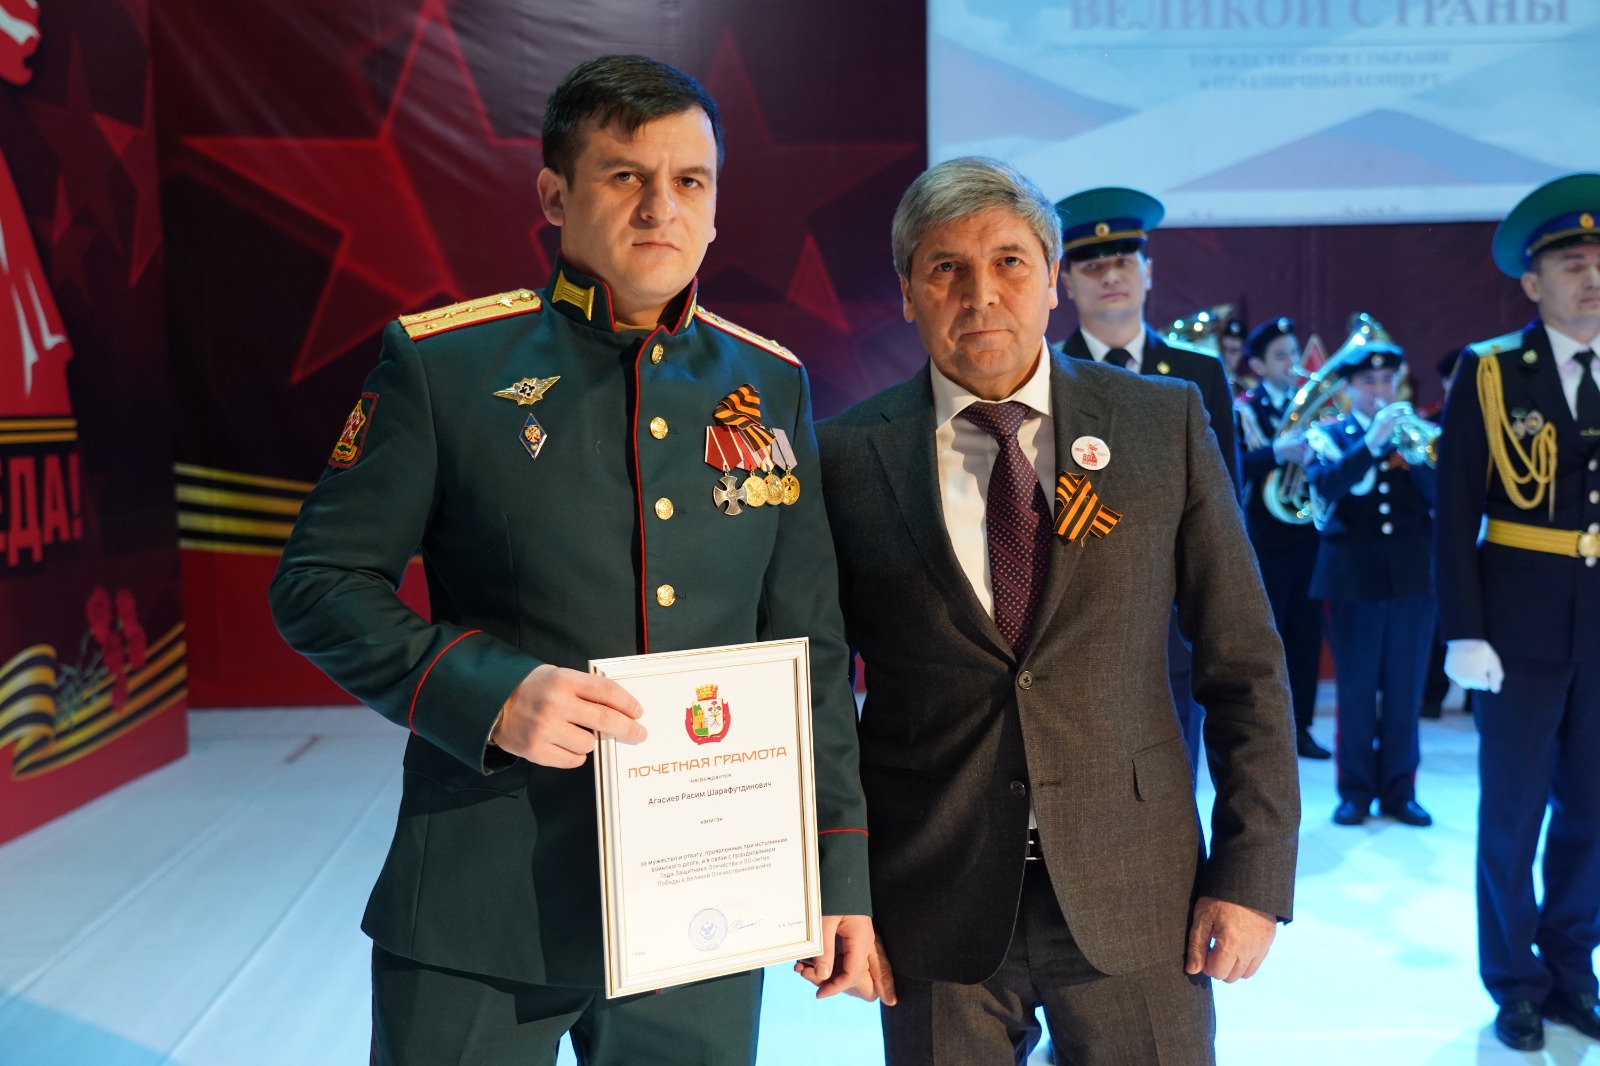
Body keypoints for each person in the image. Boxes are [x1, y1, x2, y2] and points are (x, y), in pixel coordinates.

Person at [268, 55, 874, 1066]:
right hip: (481, 898)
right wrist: (489, 692)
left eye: (689, 180)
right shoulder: (446, 366)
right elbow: (317, 585)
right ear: (555, 196)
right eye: (624, 175)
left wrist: (838, 867)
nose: (660, 207)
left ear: (715, 206)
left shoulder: (771, 384)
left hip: (707, 903)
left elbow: (808, 648)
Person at [817, 156, 1299, 1065]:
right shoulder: (842, 458)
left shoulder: (1162, 424)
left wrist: (1252, 872)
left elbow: (1243, 661)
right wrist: (835, 888)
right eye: (946, 268)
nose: (981, 294)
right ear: (909, 294)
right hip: (932, 900)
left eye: (1009, 262)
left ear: (1050, 281)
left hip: (1140, 895)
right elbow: (819, 699)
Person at [1436, 172, 1600, 1053]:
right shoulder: (1493, 370)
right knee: (1512, 817)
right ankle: (1515, 981)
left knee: (1593, 814)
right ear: (1533, 282)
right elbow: (1455, 509)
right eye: (1572, 264)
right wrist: (1464, 631)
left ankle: (1574, 971)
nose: (1592, 277)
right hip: (1519, 629)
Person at [1053, 186, 1241, 775]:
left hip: (1172, 628)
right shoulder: (1041, 375)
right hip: (1072, 629)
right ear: (1065, 282)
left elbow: (1224, 515)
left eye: (1124, 260)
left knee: (1174, 791)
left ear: (1149, 271)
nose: (1111, 275)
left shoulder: (1198, 374)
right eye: (1092, 265)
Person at [1304, 317, 1436, 829]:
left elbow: (1442, 495)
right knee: (1357, 690)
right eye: (1368, 382)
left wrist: (1413, 453)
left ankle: (1401, 792)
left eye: (1387, 380)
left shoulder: (1418, 433)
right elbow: (1328, 488)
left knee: (1404, 690)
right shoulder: (1329, 434)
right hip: (1351, 582)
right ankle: (1355, 791)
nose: (1379, 391)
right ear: (1348, 388)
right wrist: (1372, 445)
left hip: (1411, 581)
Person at [1236, 318, 1329, 759]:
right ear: (1257, 366)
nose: (1292, 362)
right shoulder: (1244, 410)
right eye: (1280, 356)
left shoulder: (1310, 406)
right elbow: (1232, 464)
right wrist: (1277, 451)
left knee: (1307, 635)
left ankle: (1302, 727)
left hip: (1307, 536)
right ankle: (1266, 728)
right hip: (1263, 538)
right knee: (1268, 637)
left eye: (1293, 352)